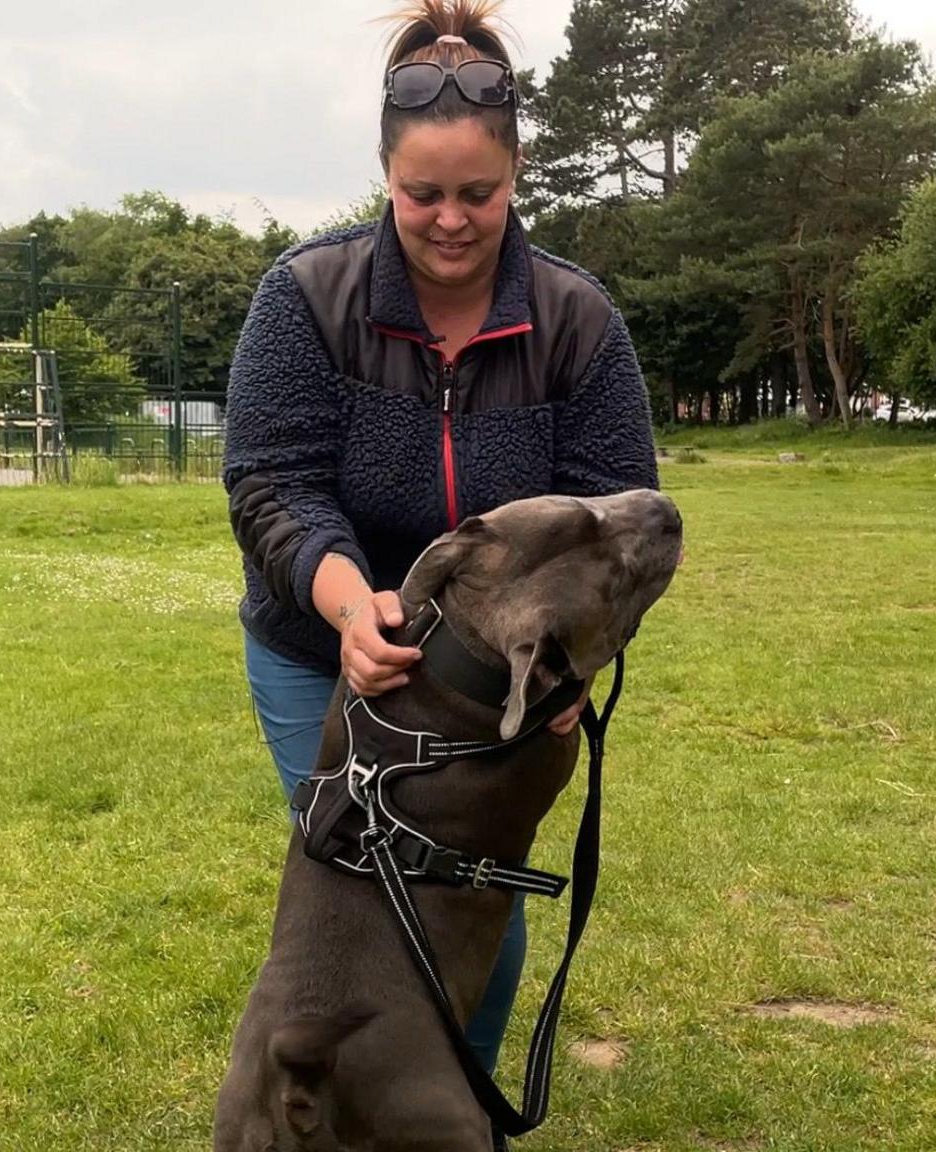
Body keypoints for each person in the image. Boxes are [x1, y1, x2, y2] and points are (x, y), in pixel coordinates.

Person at [219, 0, 659, 1098]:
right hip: (320, 647)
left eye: (479, 194)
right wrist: (344, 602)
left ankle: (435, 1107)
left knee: (476, 904)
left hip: (493, 680)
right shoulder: (304, 298)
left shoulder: (576, 319)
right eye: (422, 194)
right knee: (363, 898)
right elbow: (271, 482)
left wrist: (571, 670)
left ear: (516, 178)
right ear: (383, 175)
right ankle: (323, 1104)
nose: (451, 219)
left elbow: (620, 513)